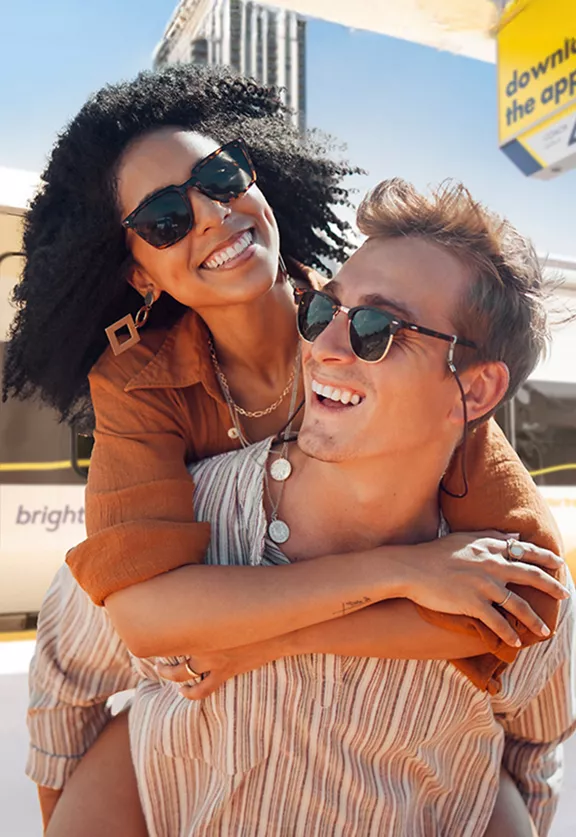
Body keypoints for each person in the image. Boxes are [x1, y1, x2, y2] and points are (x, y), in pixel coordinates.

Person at [1, 64, 562, 832]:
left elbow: (521, 598)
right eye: (166, 219)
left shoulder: (372, 332)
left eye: (221, 176)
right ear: (139, 273)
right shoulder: (138, 382)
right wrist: (401, 571)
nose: (212, 215)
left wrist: (241, 645)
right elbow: (144, 618)